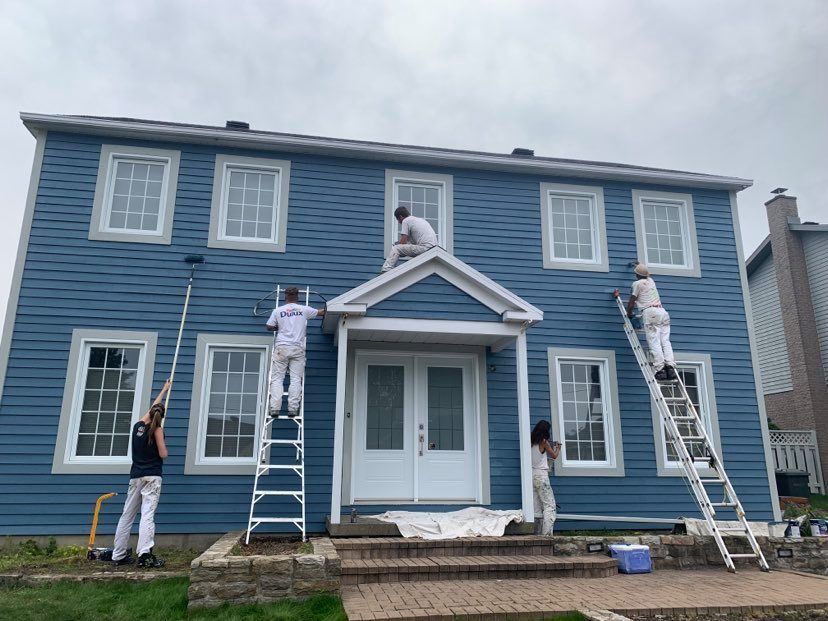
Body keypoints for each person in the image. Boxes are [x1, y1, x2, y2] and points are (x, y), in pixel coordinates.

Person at [112, 379, 171, 568]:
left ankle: (119, 554)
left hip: (136, 476)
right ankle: (145, 555)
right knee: (147, 515)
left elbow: (152, 408)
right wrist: (163, 447)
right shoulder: (158, 430)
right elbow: (163, 454)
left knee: (127, 515)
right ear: (161, 417)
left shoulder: (137, 426)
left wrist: (164, 389)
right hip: (152, 477)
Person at [266, 287, 325, 417]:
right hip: (297, 348)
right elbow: (321, 312)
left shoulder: (278, 311)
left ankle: (275, 409)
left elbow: (269, 326)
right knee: (296, 379)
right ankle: (293, 409)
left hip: (282, 347)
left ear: (285, 296)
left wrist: (278, 327)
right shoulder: (304, 310)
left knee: (277, 379)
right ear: (297, 296)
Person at [626, 263, 677, 382]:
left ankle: (660, 370)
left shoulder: (637, 284)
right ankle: (670, 367)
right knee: (665, 341)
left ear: (636, 275)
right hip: (662, 312)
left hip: (651, 312)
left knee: (654, 341)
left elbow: (632, 301)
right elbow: (644, 273)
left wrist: (629, 313)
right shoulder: (651, 281)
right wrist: (639, 265)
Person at [380, 206, 438, 272]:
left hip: (425, 248)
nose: (399, 222)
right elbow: (410, 244)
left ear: (401, 217)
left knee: (396, 248)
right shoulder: (420, 220)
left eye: (398, 220)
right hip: (433, 250)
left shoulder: (406, 221)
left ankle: (386, 269)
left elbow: (403, 242)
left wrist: (398, 244)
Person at [530, 420, 560, 536]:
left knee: (536, 506)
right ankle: (547, 535)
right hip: (541, 476)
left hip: (531, 475)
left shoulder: (531, 441)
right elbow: (554, 455)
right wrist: (558, 448)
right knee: (549, 506)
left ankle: (536, 534)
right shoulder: (544, 442)